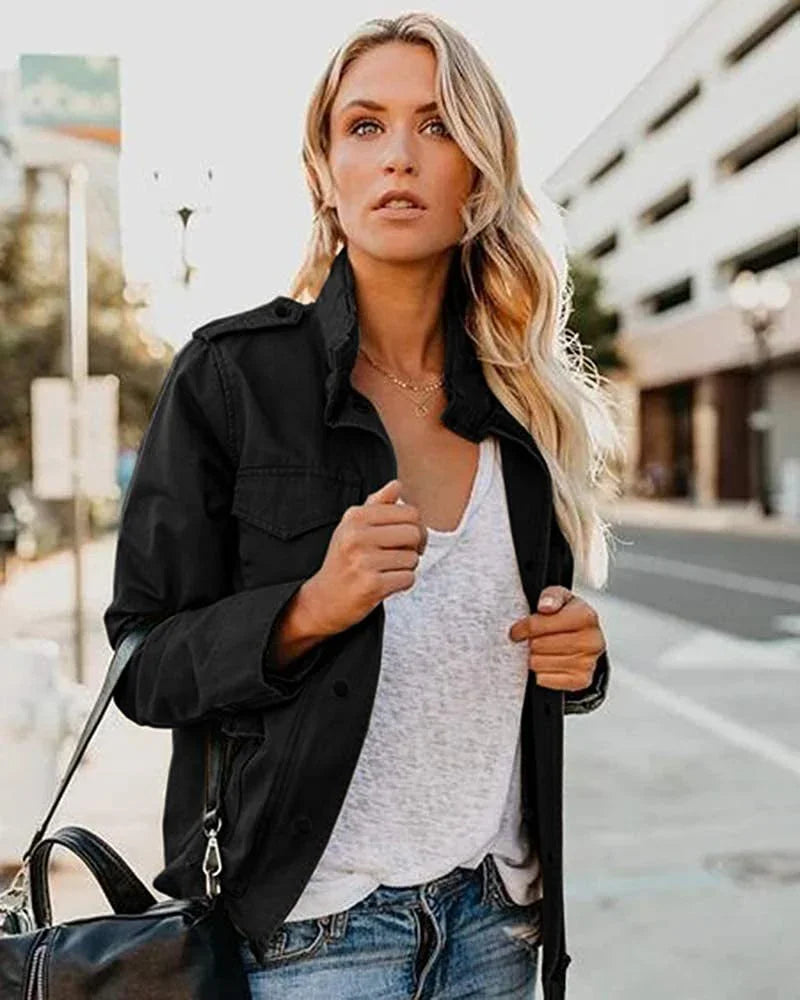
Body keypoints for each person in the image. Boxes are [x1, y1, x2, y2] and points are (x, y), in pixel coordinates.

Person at [104, 12, 624, 1000]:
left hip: (495, 919)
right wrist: (304, 611)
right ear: (323, 167)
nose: (398, 157)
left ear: (477, 169)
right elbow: (141, 663)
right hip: (312, 937)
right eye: (365, 126)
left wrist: (581, 663)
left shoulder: (522, 407)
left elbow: (517, 667)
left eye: (435, 127)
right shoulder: (231, 378)